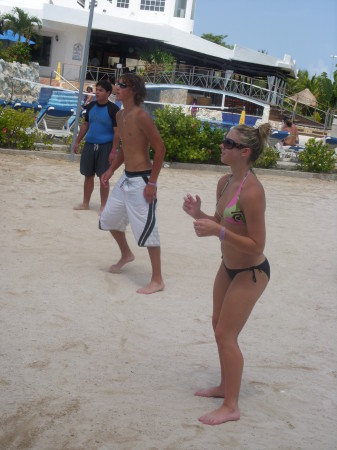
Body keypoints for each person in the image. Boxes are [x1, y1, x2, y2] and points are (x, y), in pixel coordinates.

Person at [183, 123, 271, 425]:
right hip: (228, 266)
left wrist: (218, 231)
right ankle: (224, 386)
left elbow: (257, 244)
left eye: (228, 143)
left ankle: (231, 406)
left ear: (244, 152)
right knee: (217, 324)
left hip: (252, 271)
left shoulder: (253, 191)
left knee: (226, 334)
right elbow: (220, 222)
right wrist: (199, 215)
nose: (222, 145)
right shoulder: (224, 182)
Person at [99, 74, 166, 295]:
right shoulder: (120, 115)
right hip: (126, 177)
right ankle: (126, 254)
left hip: (143, 179)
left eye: (122, 85)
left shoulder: (141, 116)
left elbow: (160, 149)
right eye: (117, 84)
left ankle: (157, 280)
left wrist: (153, 182)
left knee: (148, 230)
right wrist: (110, 170)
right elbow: (124, 149)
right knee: (108, 219)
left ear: (134, 91)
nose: (117, 88)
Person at [73, 79, 120, 213]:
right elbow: (85, 125)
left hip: (105, 146)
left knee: (104, 177)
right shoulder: (91, 106)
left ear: (108, 93)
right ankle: (85, 203)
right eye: (96, 90)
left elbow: (117, 132)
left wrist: (113, 151)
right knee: (88, 175)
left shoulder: (114, 109)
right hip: (89, 145)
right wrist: (77, 141)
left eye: (100, 90)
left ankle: (103, 206)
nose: (97, 92)